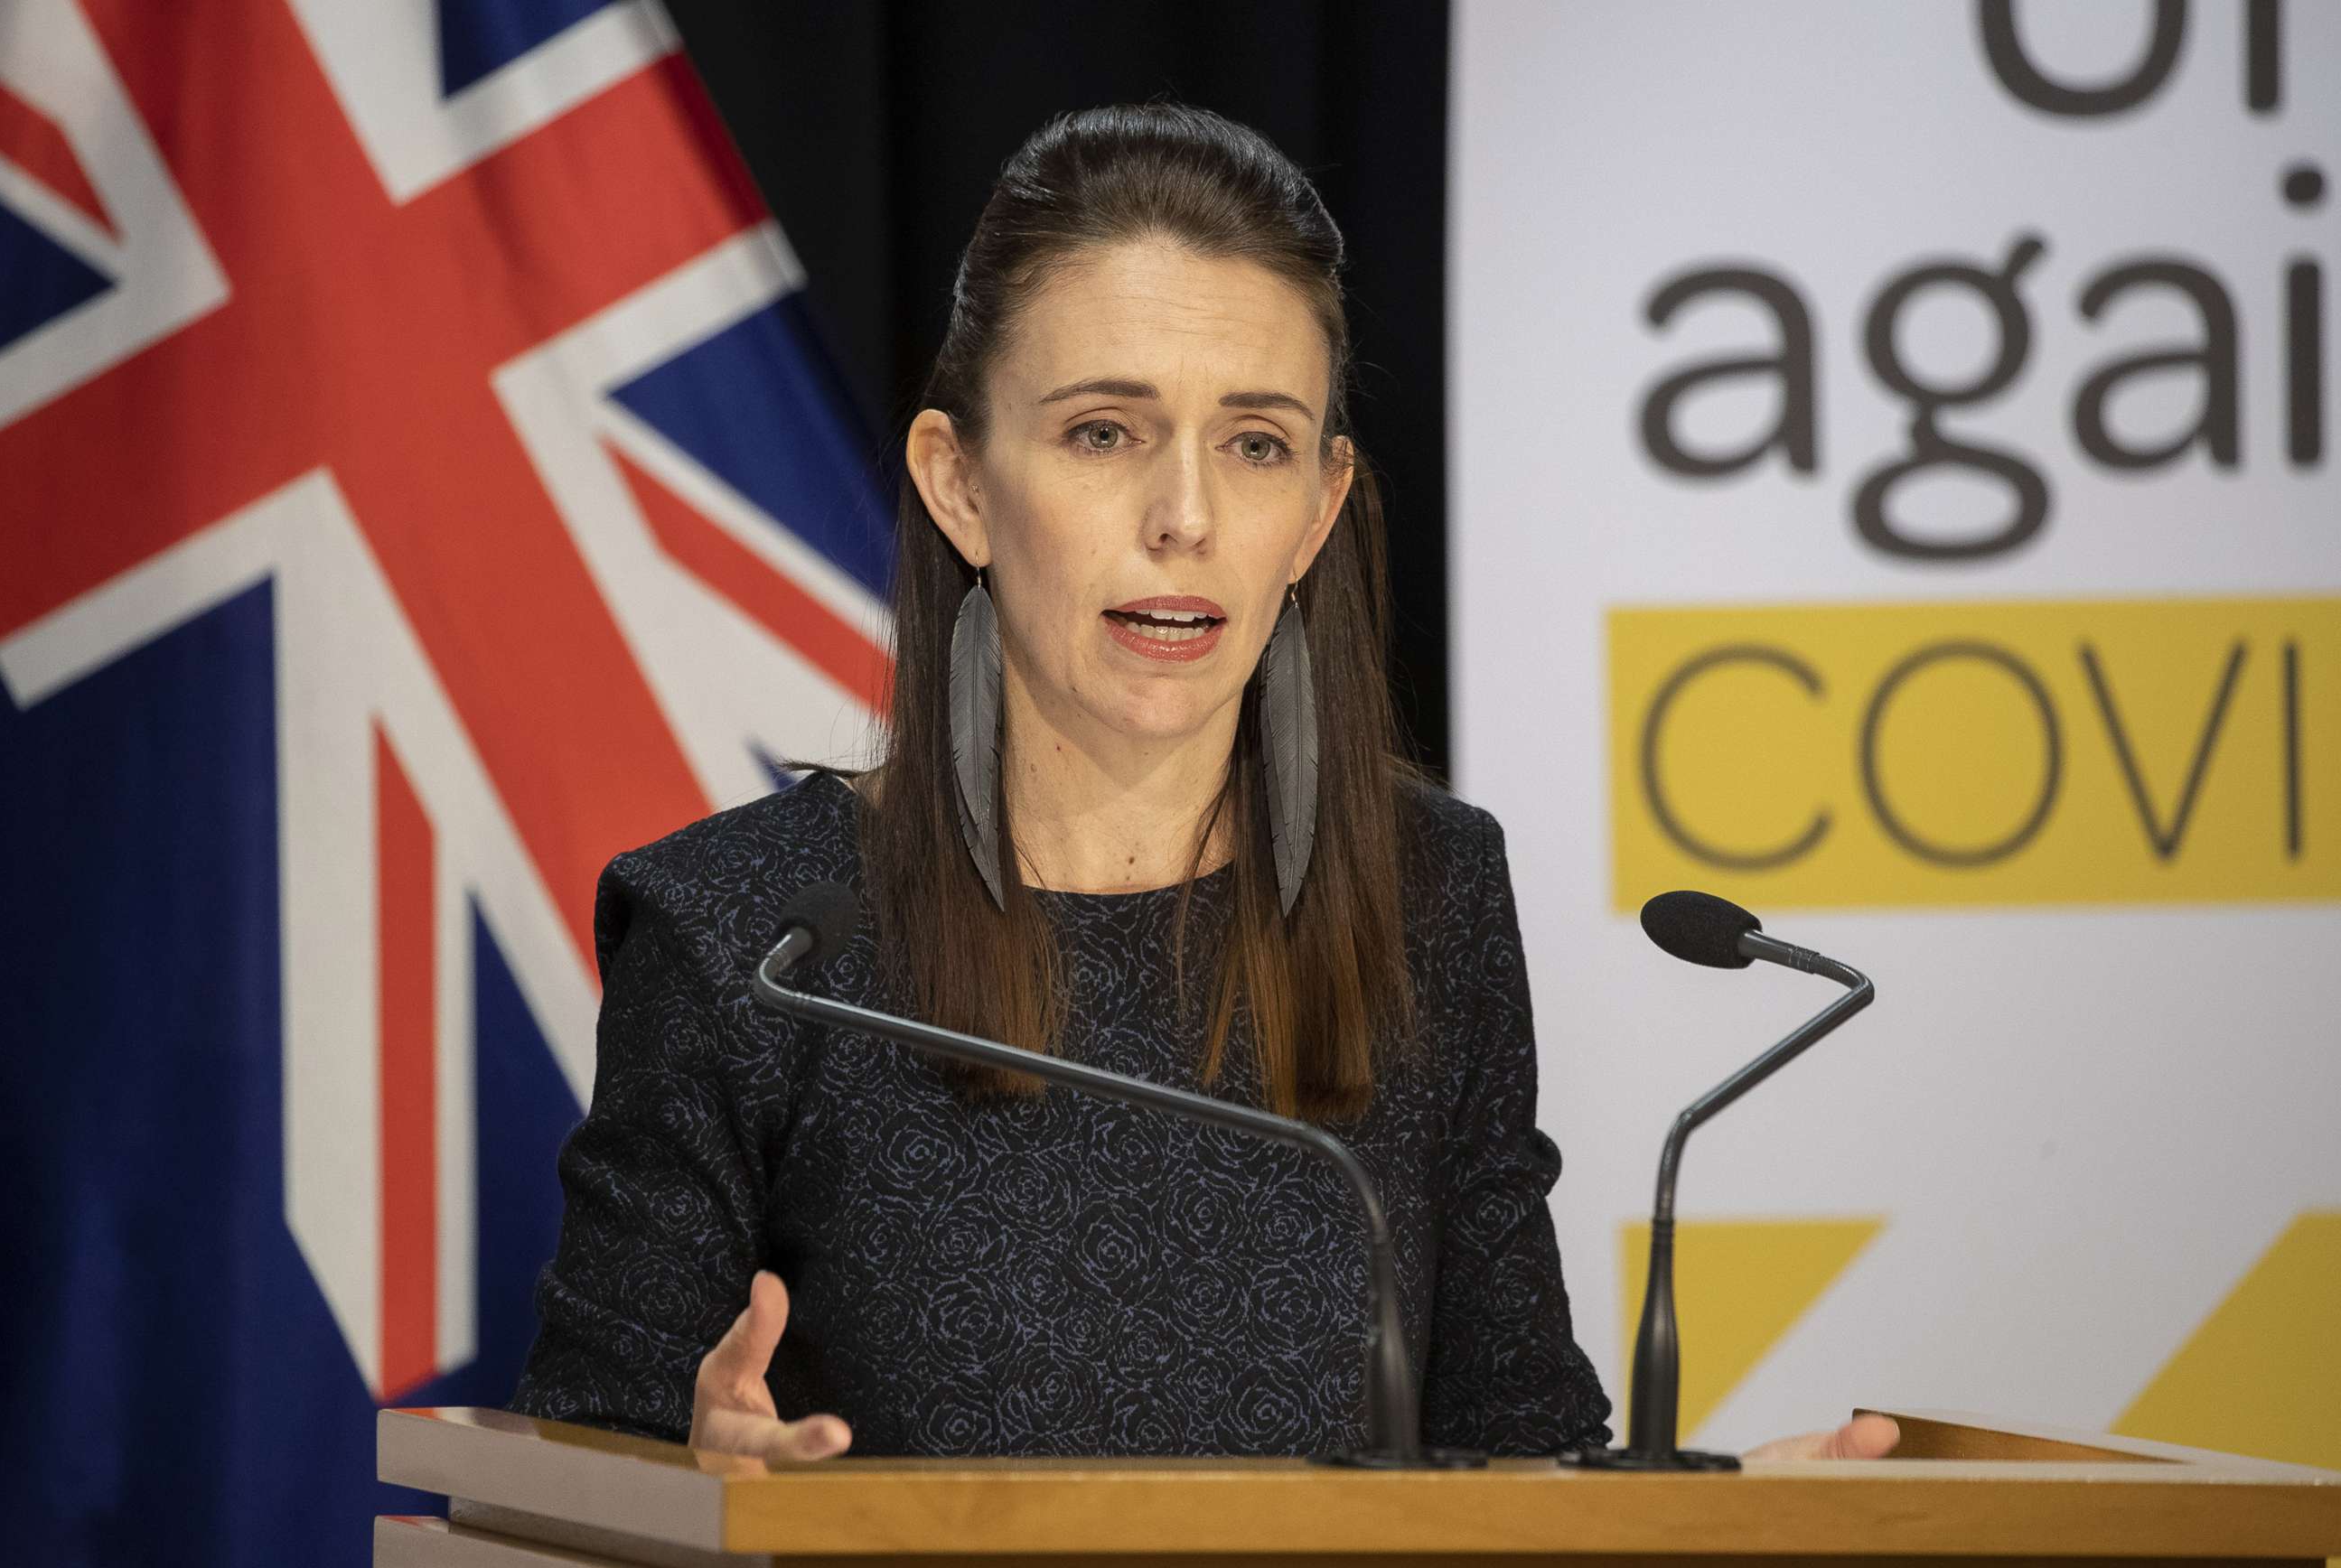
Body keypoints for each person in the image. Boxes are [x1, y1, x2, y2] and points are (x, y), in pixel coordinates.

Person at [509, 102, 1896, 1468]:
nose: (1187, 516)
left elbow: (1509, 1445)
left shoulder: (1427, 894)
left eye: (1256, 444)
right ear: (960, 484)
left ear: (1318, 514)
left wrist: (1701, 1523)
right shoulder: (749, 934)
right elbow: (570, 1475)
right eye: (1105, 433)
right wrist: (683, 1482)